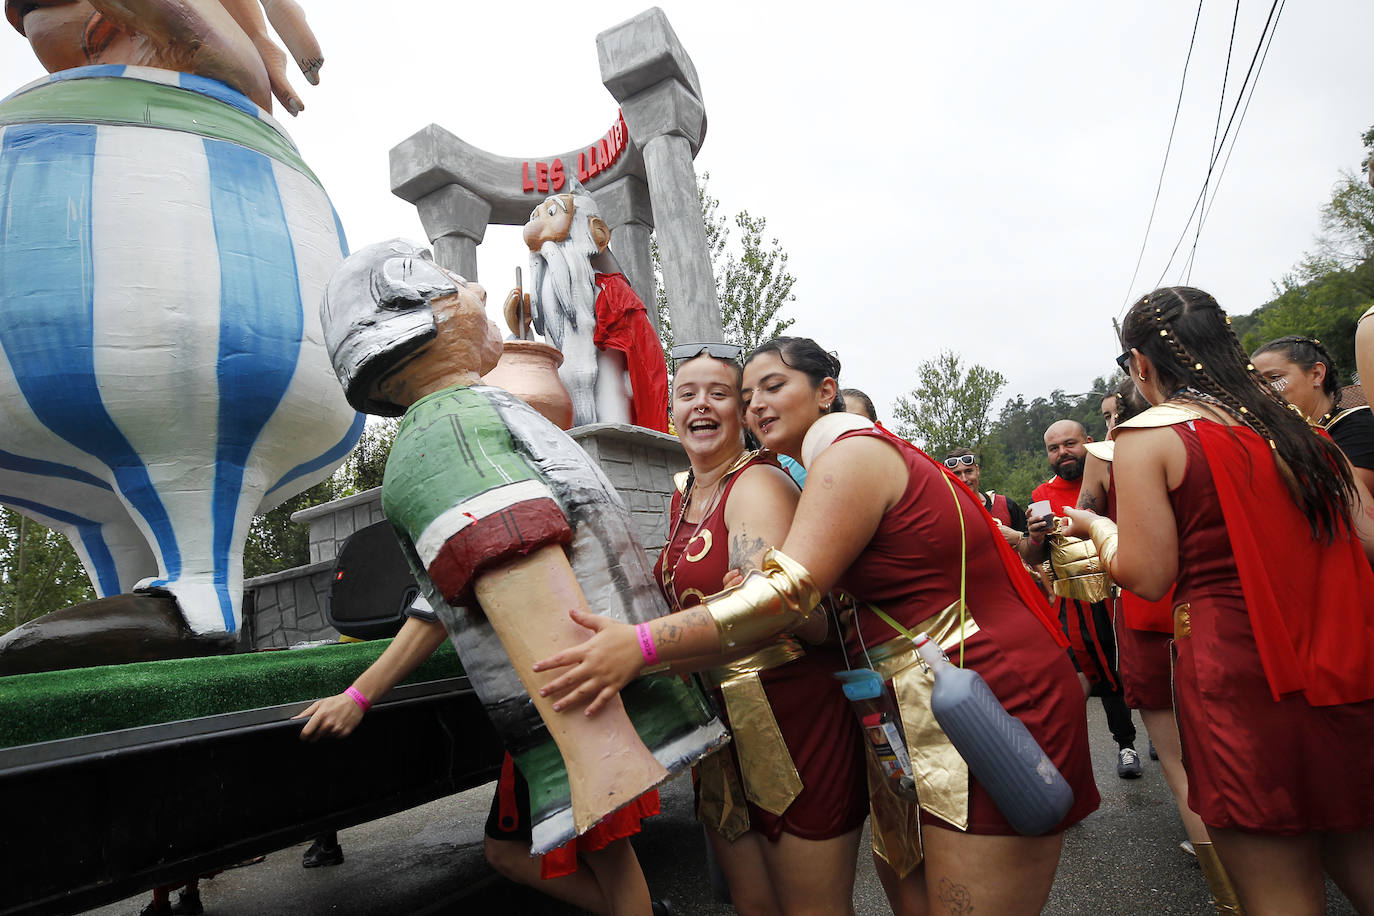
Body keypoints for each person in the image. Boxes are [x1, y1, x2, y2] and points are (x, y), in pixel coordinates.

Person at [536, 337, 1099, 916]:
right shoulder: (816, 465)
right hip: (903, 698)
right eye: (749, 393)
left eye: (771, 387)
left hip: (974, 686)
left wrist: (642, 646)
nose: (755, 405)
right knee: (911, 888)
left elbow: (787, 597)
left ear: (826, 392)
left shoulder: (849, 452)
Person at [1065, 286, 1374, 916]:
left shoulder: (1149, 435)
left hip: (1235, 670)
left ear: (1140, 364)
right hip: (1336, 662)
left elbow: (1147, 575)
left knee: (1279, 891)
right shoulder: (1299, 430)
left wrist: (1098, 529)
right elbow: (1365, 535)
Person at [634, 341, 867, 916]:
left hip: (789, 718)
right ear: (672, 411)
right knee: (754, 905)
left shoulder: (756, 484)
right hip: (721, 725)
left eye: (720, 394)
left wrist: (640, 649)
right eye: (687, 394)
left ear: (740, 414)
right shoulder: (685, 498)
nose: (701, 405)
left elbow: (805, 619)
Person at [297, 613, 669, 916]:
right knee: (507, 851)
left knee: (609, 857)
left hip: (565, 701)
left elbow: (435, 608)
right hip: (547, 702)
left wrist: (358, 696)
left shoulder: (471, 522)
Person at [1075, 376, 1237, 910]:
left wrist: (1091, 523)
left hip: (1147, 594)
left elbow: (1083, 520)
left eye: (1108, 414)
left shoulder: (1115, 449)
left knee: (1170, 747)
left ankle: (1220, 863)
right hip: (1220, 596)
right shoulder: (1228, 430)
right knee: (1233, 731)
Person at [1021, 420, 1140, 778]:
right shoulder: (1042, 493)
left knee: (1119, 672)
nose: (1062, 453)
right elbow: (1034, 557)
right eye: (1054, 448)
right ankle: (1068, 764)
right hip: (1070, 602)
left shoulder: (1114, 479)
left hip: (1118, 593)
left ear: (1088, 443)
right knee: (1074, 680)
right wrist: (1034, 538)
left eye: (1070, 444)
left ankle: (1130, 742)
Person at [505, 182, 667, 430]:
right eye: (536, 217)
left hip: (610, 405)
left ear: (595, 233)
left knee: (611, 413)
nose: (535, 228)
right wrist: (521, 332)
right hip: (566, 410)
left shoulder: (611, 291)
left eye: (551, 214)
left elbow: (636, 352)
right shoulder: (547, 297)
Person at [1251, 335, 1374, 492]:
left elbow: (1350, 497)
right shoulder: (1289, 438)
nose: (1263, 390)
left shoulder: (1358, 426)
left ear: (1316, 374)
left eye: (1274, 378)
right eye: (1256, 384)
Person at [941, 447, 1027, 547]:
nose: (964, 479)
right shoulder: (945, 517)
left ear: (977, 470)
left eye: (969, 471)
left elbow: (1037, 546)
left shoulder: (1004, 505)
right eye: (957, 474)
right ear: (948, 478)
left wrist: (1018, 537)